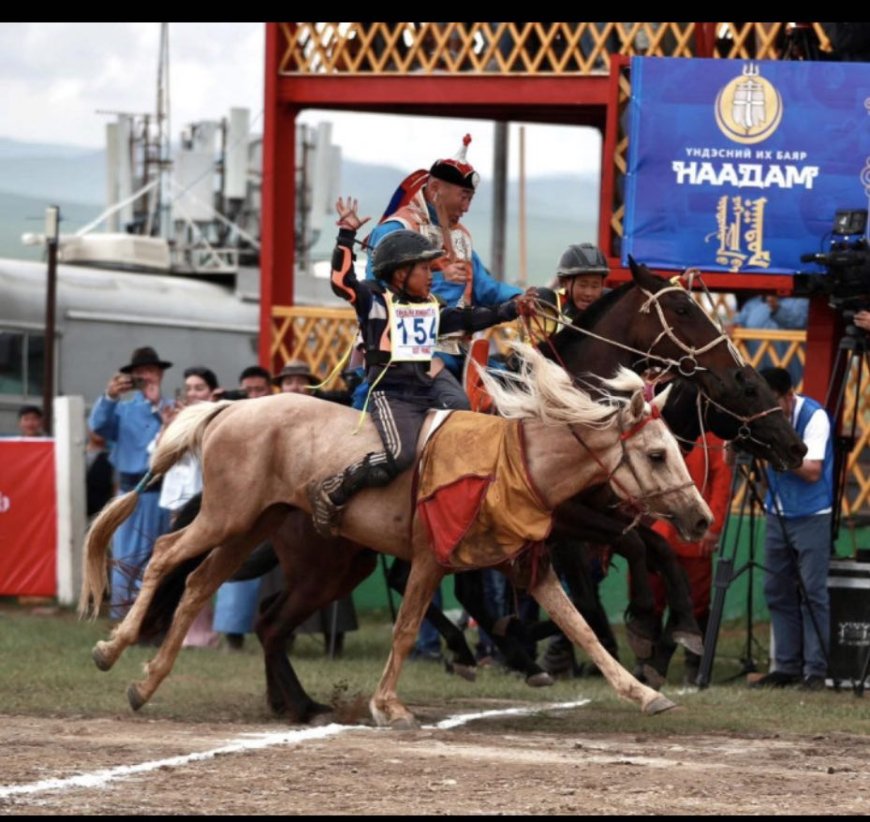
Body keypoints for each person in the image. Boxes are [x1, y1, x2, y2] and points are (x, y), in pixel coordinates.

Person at [310, 195, 528, 538]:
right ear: (401, 273)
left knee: (462, 410)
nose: (432, 275)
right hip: (391, 392)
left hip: (426, 387)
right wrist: (346, 234)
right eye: (425, 268)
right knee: (399, 455)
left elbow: (464, 317)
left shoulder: (430, 304)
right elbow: (341, 281)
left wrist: (510, 309)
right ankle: (337, 488)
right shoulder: (372, 298)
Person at [364, 134, 523, 377]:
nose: (466, 207)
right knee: (450, 398)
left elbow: (484, 288)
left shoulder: (461, 237)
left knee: (512, 383)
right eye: (463, 196)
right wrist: (440, 277)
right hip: (408, 349)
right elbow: (376, 291)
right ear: (436, 188)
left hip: (460, 348)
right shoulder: (397, 229)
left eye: (470, 198)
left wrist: (522, 298)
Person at [751, 367, 834, 691]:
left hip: (813, 512)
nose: (770, 411)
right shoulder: (764, 417)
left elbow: (812, 470)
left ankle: (816, 669)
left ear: (789, 396)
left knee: (813, 593)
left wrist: (772, 449)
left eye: (775, 404)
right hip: (778, 510)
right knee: (777, 590)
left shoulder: (814, 417)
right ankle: (786, 665)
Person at [274, 357, 359, 656]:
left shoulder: (327, 411)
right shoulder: (272, 419)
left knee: (340, 566)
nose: (295, 385)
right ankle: (284, 637)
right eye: (289, 381)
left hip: (326, 500)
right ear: (281, 387)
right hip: (288, 505)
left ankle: (335, 640)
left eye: (301, 380)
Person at [88, 346, 174, 620]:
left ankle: (155, 617)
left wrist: (158, 408)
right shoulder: (122, 410)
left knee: (162, 557)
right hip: (133, 492)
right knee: (129, 555)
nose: (145, 376)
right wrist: (110, 396)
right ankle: (126, 617)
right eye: (139, 373)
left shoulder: (172, 407)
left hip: (166, 492)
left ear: (159, 374)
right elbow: (98, 425)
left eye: (149, 371)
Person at [645, 431, 733, 686]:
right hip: (658, 530)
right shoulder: (655, 429)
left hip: (693, 532)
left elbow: (722, 480)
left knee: (696, 601)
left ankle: (693, 665)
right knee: (652, 598)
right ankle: (648, 663)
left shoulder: (713, 438)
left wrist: (712, 525)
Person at [155, 365, 222, 649]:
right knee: (179, 565)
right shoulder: (178, 419)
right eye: (189, 388)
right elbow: (158, 458)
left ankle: (202, 631)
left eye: (199, 388)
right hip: (176, 502)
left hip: (205, 502)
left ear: (211, 391)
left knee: (200, 566)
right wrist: (168, 426)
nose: (193, 394)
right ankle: (179, 631)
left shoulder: (219, 419)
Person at [212, 363, 275, 650]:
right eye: (247, 390)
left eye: (258, 390)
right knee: (232, 561)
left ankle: (274, 631)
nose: (252, 395)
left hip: (273, 504)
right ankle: (232, 635)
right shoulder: (230, 420)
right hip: (237, 502)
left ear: (269, 390)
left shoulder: (279, 420)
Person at [726, 293, 808, 385]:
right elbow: (737, 324)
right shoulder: (752, 304)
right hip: (757, 372)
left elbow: (797, 321)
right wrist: (733, 327)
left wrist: (776, 308)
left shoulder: (800, 302)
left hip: (791, 375)